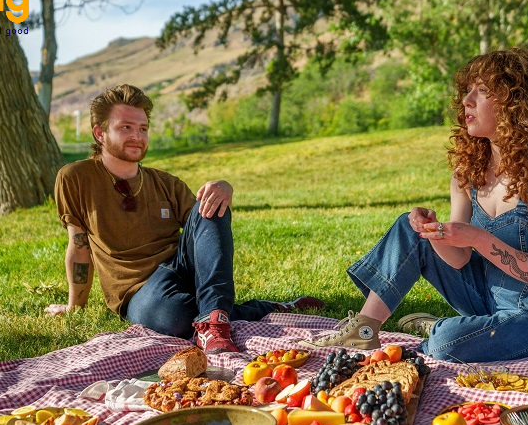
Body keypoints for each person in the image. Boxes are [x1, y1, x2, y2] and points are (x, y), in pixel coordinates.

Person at [302, 48, 528, 363]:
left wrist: (474, 237)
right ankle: (363, 330)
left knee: (444, 343)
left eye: (482, 91)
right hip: (484, 299)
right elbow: (459, 260)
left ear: (515, 103)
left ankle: (449, 330)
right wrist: (436, 232)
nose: (466, 101)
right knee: (410, 226)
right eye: (468, 91)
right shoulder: (469, 171)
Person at [46, 83, 323, 354]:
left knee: (211, 202)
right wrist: (74, 307)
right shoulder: (76, 178)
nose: (138, 136)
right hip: (139, 291)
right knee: (173, 319)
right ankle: (259, 309)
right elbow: (79, 245)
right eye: (126, 127)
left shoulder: (166, 182)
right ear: (100, 133)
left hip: (182, 268)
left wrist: (223, 188)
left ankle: (214, 323)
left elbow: (204, 228)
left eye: (143, 128)